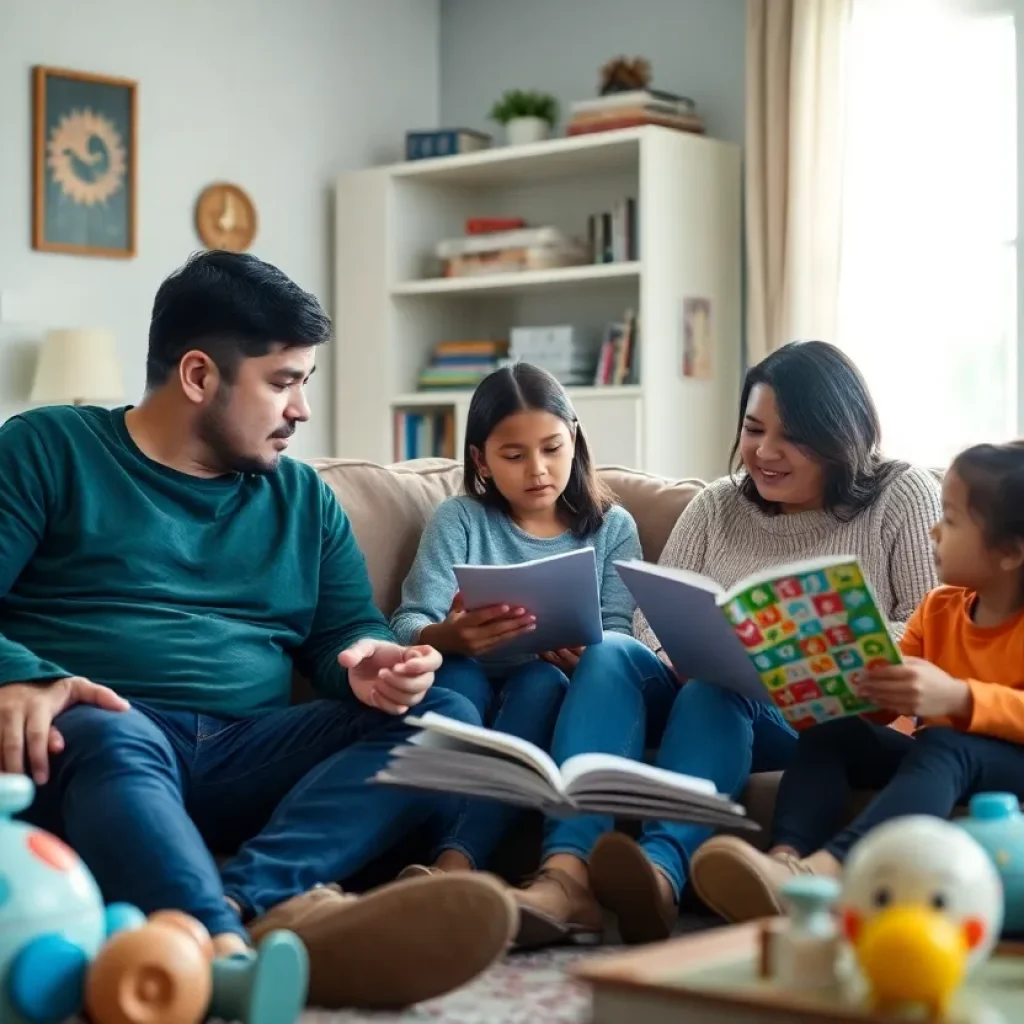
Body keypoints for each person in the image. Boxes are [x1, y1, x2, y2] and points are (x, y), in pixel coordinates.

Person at [0, 250, 520, 1011]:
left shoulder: (303, 499)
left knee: (447, 721)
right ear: (199, 376)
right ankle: (228, 953)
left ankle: (250, 907)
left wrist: (372, 664)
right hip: (106, 738)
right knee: (109, 727)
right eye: (283, 383)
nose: (301, 410)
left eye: (304, 383)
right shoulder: (49, 449)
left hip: (250, 750)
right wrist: (24, 671)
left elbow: (346, 631)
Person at [510, 340, 943, 948]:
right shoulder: (717, 505)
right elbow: (653, 617)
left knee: (721, 688)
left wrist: (791, 646)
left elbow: (932, 624)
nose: (764, 453)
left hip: (817, 720)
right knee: (613, 653)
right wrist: (673, 654)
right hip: (701, 687)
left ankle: (661, 870)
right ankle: (567, 874)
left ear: (839, 436)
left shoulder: (901, 496)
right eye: (752, 428)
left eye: (790, 438)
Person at [690, 440, 1024, 922]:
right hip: (944, 759)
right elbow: (885, 710)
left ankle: (826, 874)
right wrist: (848, 682)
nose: (934, 530)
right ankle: (785, 863)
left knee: (947, 743)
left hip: (1000, 762)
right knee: (832, 730)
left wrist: (958, 696)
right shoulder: (940, 607)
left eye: (950, 520)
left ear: (1011, 551)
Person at [391, 362, 642, 885]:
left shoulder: (612, 528)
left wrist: (588, 655)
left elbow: (620, 633)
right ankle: (447, 857)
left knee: (541, 682)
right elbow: (408, 621)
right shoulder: (460, 519)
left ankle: (455, 861)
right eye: (513, 455)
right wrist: (447, 636)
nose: (537, 470)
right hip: (466, 675)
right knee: (456, 680)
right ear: (481, 460)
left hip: (550, 684)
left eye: (552, 448)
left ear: (573, 439)